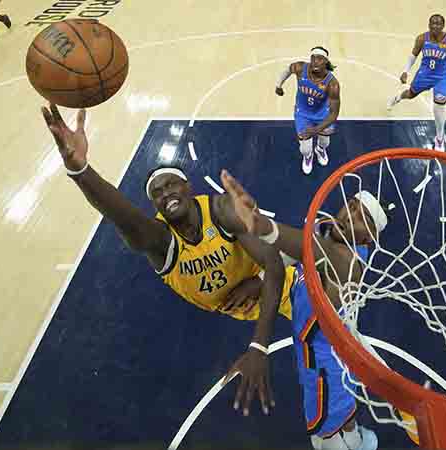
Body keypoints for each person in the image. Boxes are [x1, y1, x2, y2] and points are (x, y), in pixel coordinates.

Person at [41, 104, 297, 417]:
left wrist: (258, 338)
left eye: (171, 184)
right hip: (246, 307)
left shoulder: (219, 210)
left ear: (188, 187)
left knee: (331, 337)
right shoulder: (160, 242)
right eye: (157, 193)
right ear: (155, 206)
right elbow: (122, 216)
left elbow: (273, 263)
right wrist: (80, 171)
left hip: (287, 288)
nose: (166, 193)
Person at [221, 170, 383, 450]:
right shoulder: (327, 228)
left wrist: (262, 225)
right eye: (352, 206)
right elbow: (296, 253)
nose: (349, 216)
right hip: (339, 348)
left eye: (362, 219)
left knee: (324, 433)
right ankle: (356, 440)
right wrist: (260, 280)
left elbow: (308, 248)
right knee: (345, 410)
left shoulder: (347, 262)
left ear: (368, 238)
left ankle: (345, 443)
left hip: (323, 364)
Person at [387, 13, 446, 151]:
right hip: (425, 74)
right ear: (429, 25)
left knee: (439, 105)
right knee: (410, 94)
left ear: (443, 26)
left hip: (442, 77)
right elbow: (413, 55)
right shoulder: (422, 38)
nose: (435, 26)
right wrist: (405, 71)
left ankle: (439, 139)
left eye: (438, 23)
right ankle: (397, 97)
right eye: (432, 23)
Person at [275, 46, 341, 175]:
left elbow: (334, 114)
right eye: (313, 58)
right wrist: (279, 85)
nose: (315, 61)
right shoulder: (300, 68)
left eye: (319, 58)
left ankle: (320, 149)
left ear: (326, 62)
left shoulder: (332, 84)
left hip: (323, 115)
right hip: (303, 114)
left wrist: (316, 129)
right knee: (305, 149)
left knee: (325, 142)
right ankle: (308, 156)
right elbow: (287, 70)